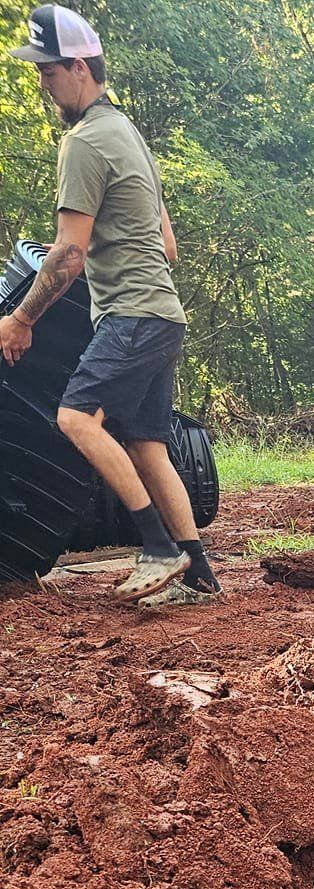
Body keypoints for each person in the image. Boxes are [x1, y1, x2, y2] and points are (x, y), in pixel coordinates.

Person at [0, 5, 219, 604]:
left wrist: (20, 319)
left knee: (75, 418)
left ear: (77, 67)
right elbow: (165, 243)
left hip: (130, 314)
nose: (43, 87)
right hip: (163, 314)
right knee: (147, 444)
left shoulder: (84, 141)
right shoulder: (126, 133)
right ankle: (198, 574)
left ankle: (158, 547)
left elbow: (70, 256)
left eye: (47, 73)